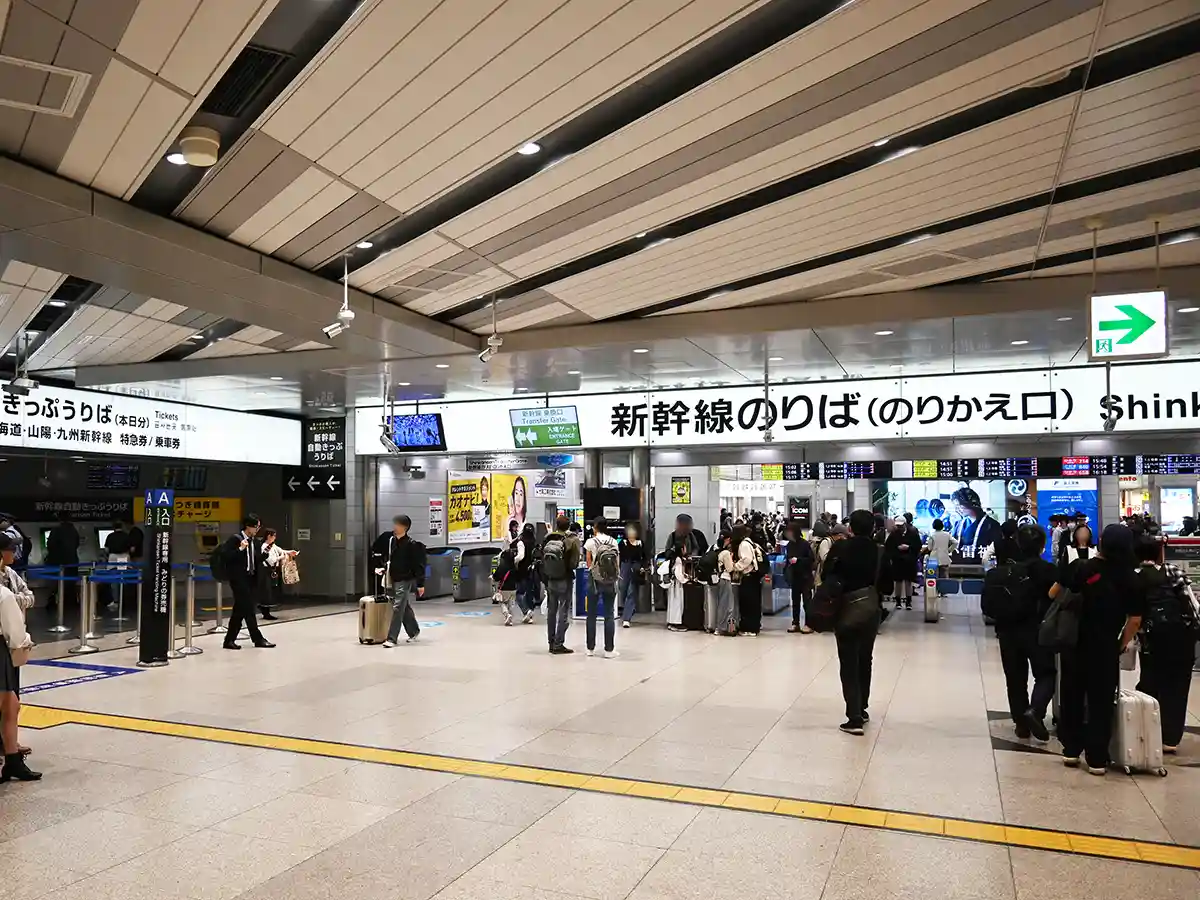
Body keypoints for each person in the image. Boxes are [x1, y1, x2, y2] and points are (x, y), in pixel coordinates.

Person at [1056, 524, 1144, 774]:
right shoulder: (1131, 577)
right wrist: (1121, 642)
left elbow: (1056, 592)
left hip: (1075, 641)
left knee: (1072, 694)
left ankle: (1071, 750)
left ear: (1102, 542)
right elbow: (1135, 619)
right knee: (1101, 700)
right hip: (1105, 646)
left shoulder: (1083, 568)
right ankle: (1096, 758)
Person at [1133, 537, 1200, 753]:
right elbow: (1193, 605)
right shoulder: (1173, 571)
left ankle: (1150, 733)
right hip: (1181, 639)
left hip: (1151, 641)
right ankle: (1171, 739)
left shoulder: (1135, 576)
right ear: (1159, 553)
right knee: (1177, 688)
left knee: (1151, 684)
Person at [993, 525, 1057, 742]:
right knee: (1046, 673)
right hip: (1038, 630)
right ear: (1042, 545)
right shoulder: (1050, 571)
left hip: (1008, 631)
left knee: (1015, 677)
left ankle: (1021, 724)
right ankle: (1035, 710)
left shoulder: (1008, 572)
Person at [822, 510, 883, 735]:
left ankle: (854, 716)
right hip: (870, 609)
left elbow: (827, 572)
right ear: (873, 528)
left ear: (850, 528)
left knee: (848, 661)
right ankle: (863, 708)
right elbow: (886, 583)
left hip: (846, 608)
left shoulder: (841, 547)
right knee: (865, 658)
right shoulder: (878, 551)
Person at [1, 537, 38, 782]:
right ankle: (11, 759)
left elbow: (28, 595)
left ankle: (11, 756)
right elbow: (15, 632)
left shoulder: (10, 580)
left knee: (10, 703)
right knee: (9, 706)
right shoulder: (3, 594)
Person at [219, 515, 275, 650]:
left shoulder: (253, 541)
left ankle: (229, 640)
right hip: (239, 579)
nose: (257, 530)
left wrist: (266, 551)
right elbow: (226, 556)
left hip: (250, 579)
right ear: (248, 526)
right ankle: (258, 639)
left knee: (239, 611)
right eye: (256, 527)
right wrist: (240, 549)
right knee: (249, 609)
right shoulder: (235, 539)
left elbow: (255, 559)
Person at [371, 515, 424, 647]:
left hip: (404, 579)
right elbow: (387, 558)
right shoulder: (391, 541)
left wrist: (420, 584)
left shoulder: (412, 545)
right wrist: (382, 568)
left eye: (398, 525)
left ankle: (391, 638)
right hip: (392, 577)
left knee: (397, 607)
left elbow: (418, 566)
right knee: (402, 606)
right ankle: (414, 630)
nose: (395, 527)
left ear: (404, 528)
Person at [541, 515, 580, 654]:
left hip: (551, 579)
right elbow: (574, 563)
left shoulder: (548, 537)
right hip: (565, 578)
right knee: (563, 611)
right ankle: (559, 643)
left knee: (551, 612)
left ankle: (551, 642)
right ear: (568, 526)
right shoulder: (572, 540)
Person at [663, 514, 707, 632]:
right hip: (677, 572)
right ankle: (674, 622)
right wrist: (679, 555)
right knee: (675, 599)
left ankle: (683, 620)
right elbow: (667, 552)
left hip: (688, 569)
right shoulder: (672, 536)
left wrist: (690, 556)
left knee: (683, 600)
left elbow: (696, 549)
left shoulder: (692, 535)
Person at [583, 517, 620, 658]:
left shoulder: (590, 542)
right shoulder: (614, 542)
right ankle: (609, 650)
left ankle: (590, 649)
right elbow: (617, 562)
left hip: (594, 581)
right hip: (610, 580)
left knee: (591, 614)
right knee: (609, 614)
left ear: (596, 527)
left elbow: (588, 563)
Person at [950, 487, 1002, 559]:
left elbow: (997, 551)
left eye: (959, 506)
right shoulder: (958, 525)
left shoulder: (992, 525)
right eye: (955, 506)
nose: (957, 509)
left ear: (970, 503)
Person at [731, 524, 764, 636]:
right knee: (754, 603)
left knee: (747, 604)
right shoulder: (750, 542)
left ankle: (748, 628)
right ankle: (754, 627)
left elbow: (747, 559)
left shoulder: (744, 544)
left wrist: (735, 566)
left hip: (749, 576)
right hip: (754, 577)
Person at [44, 511, 81, 610]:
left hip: (58, 562)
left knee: (56, 585)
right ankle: (71, 604)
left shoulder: (56, 530)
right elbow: (77, 544)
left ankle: (55, 605)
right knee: (70, 585)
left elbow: (50, 546)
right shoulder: (74, 530)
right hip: (72, 561)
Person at [259, 528, 298, 621]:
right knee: (266, 591)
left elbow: (281, 551)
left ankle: (266, 610)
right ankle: (265, 612)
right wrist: (282, 557)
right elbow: (271, 560)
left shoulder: (273, 546)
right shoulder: (264, 547)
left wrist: (289, 552)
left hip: (273, 570)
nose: (275, 538)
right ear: (269, 536)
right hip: (266, 571)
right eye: (274, 536)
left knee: (272, 590)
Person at [884, 516, 920, 610]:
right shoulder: (894, 534)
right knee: (898, 582)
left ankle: (908, 601)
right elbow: (888, 547)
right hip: (898, 561)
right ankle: (898, 601)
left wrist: (908, 547)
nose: (899, 527)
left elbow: (917, 546)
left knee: (908, 582)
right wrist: (896, 550)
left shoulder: (913, 533)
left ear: (905, 524)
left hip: (909, 562)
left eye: (901, 525)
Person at [786, 521, 815, 633]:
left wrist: (798, 560)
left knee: (807, 601)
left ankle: (809, 623)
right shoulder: (789, 545)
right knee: (795, 601)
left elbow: (811, 559)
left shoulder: (805, 544)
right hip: (795, 576)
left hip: (805, 576)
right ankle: (795, 623)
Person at [618, 521, 647, 628]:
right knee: (623, 589)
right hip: (624, 567)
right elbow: (618, 557)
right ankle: (629, 609)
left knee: (632, 591)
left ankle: (626, 618)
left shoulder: (640, 544)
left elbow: (645, 557)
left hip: (636, 568)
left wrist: (643, 567)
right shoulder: (622, 543)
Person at [514, 523, 539, 624]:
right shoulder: (534, 541)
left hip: (522, 570)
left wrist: (514, 561)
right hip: (533, 570)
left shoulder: (521, 542)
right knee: (529, 591)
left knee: (519, 593)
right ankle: (530, 613)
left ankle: (526, 611)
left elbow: (520, 556)